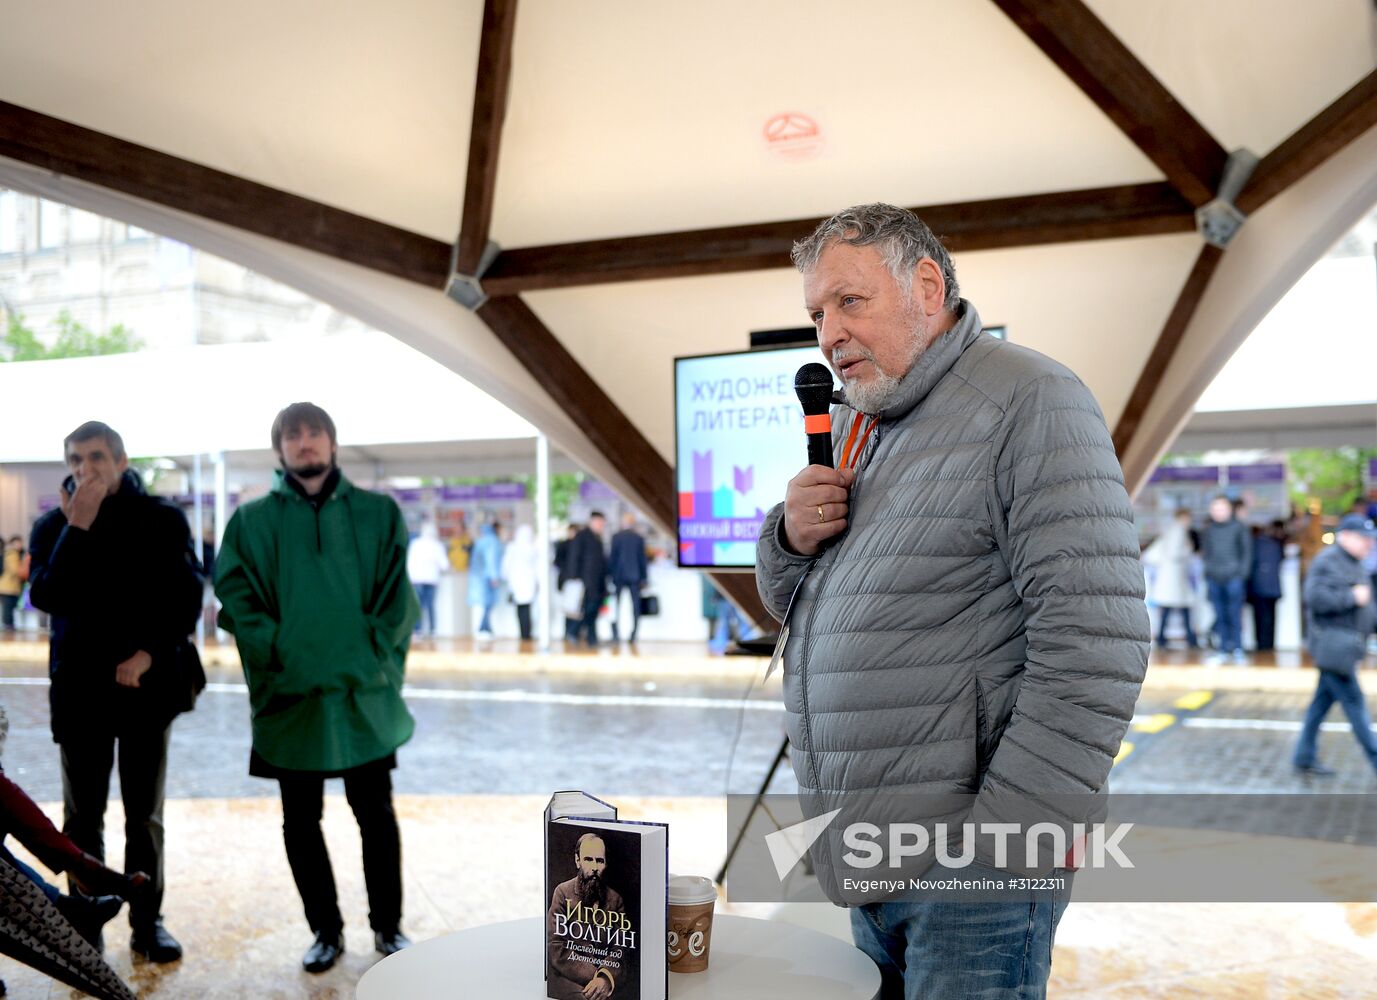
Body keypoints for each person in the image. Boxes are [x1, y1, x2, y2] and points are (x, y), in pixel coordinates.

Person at [754, 204, 1149, 1000]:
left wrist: (1003, 843)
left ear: (925, 287)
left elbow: (1095, 641)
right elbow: (803, 608)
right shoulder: (871, 421)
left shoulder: (1030, 399)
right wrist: (790, 538)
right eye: (816, 313)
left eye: (849, 302)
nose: (828, 334)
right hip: (872, 850)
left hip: (971, 868)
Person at [214, 402, 418, 973]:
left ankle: (388, 928)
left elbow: (398, 598)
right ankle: (325, 931)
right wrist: (280, 652)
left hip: (361, 698)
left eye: (314, 433)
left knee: (375, 814)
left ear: (332, 442)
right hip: (292, 699)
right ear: (279, 449)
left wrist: (371, 656)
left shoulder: (379, 514)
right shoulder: (251, 523)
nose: (305, 443)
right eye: (293, 435)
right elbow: (236, 597)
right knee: (301, 822)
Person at [26, 421, 204, 962]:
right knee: (82, 819)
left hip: (145, 687)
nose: (86, 469)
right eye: (76, 459)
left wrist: (149, 651)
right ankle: (88, 923)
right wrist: (76, 525)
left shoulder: (162, 519)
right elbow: (47, 596)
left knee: (142, 816)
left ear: (122, 463)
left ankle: (148, 924)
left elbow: (186, 597)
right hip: (81, 692)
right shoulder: (53, 525)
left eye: (97, 457)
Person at [1293, 514, 1377, 777]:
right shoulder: (1328, 561)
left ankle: (1303, 756)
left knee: (1320, 705)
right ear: (1346, 536)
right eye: (1364, 539)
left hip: (1345, 647)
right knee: (1355, 706)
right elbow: (1315, 598)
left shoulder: (1355, 563)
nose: (1369, 545)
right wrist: (1350, 597)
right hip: (1334, 650)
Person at [546, 832, 624, 1000]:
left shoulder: (615, 899)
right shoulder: (562, 892)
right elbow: (555, 946)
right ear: (577, 860)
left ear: (606, 864)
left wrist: (606, 977)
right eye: (588, 859)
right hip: (568, 977)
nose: (594, 867)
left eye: (600, 860)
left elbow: (621, 947)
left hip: (606, 980)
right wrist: (597, 977)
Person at [1201, 494, 1251, 664]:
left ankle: (1237, 649)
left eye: (1221, 509)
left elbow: (1247, 553)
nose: (1218, 512)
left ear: (1229, 510)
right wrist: (1208, 571)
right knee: (1219, 615)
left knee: (1234, 614)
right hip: (1214, 577)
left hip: (1234, 578)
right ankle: (1222, 649)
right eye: (1215, 509)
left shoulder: (1240, 527)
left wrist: (1241, 574)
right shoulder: (1209, 530)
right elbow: (1206, 553)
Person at [1143, 509, 1199, 649]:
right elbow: (1175, 553)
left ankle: (1163, 638)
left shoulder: (1170, 529)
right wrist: (1189, 549)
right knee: (1183, 608)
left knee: (1168, 609)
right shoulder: (1179, 530)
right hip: (1175, 577)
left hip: (1170, 577)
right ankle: (1190, 640)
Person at [565, 513, 609, 648]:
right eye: (600, 523)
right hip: (586, 582)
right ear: (593, 521)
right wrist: (575, 578)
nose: (602, 526)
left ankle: (591, 639)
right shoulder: (582, 536)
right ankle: (573, 632)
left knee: (593, 611)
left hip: (597, 582)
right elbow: (574, 557)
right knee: (587, 610)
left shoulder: (597, 538)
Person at [607, 514, 649, 644]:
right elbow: (643, 560)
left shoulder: (616, 537)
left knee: (615, 606)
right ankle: (634, 634)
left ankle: (615, 634)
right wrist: (644, 578)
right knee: (635, 607)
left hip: (618, 576)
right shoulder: (638, 538)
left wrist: (610, 576)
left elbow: (612, 559)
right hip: (635, 576)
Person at [1248, 521, 1287, 653]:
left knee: (1259, 619)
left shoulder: (1254, 544)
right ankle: (1269, 645)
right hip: (1273, 588)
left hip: (1258, 588)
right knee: (1270, 619)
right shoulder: (1276, 544)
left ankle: (1262, 646)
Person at [406, 520, 449, 638]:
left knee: (417, 606)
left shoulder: (415, 544)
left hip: (416, 579)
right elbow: (445, 565)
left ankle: (417, 630)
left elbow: (409, 563)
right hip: (431, 579)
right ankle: (432, 630)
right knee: (430, 605)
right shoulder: (437, 545)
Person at [501, 524, 541, 641]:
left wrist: (506, 578)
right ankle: (526, 633)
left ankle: (523, 633)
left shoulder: (512, 547)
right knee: (527, 608)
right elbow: (537, 567)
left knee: (520, 609)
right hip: (529, 582)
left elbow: (506, 566)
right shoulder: (532, 548)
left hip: (517, 582)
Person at [467, 521, 503, 640]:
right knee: (486, 605)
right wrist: (494, 577)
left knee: (483, 605)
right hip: (486, 579)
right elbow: (491, 560)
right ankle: (483, 629)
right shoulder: (493, 542)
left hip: (479, 578)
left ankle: (485, 629)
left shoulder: (481, 541)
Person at [556, 524, 580, 641]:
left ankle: (573, 632)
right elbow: (557, 562)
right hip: (567, 581)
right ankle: (568, 632)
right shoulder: (564, 545)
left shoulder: (579, 545)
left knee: (575, 608)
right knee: (568, 608)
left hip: (576, 581)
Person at [0, 535, 25, 631]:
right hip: (9, 586)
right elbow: (15, 570)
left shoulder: (7, 553)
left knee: (8, 607)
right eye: (17, 543)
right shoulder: (13, 554)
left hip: (5, 585)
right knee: (8, 607)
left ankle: (8, 624)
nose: (19, 545)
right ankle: (9, 625)